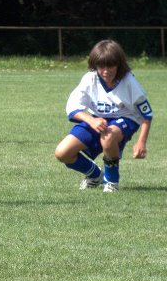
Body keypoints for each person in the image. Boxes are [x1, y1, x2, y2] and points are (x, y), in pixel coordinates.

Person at [54, 39, 152, 192]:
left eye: (111, 65)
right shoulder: (90, 79)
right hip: (96, 119)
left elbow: (146, 115)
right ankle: (95, 175)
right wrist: (90, 119)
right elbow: (73, 107)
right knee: (62, 153)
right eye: (101, 66)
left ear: (119, 64)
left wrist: (141, 142)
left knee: (108, 136)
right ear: (95, 65)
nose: (106, 71)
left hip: (126, 119)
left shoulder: (128, 81)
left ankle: (111, 182)